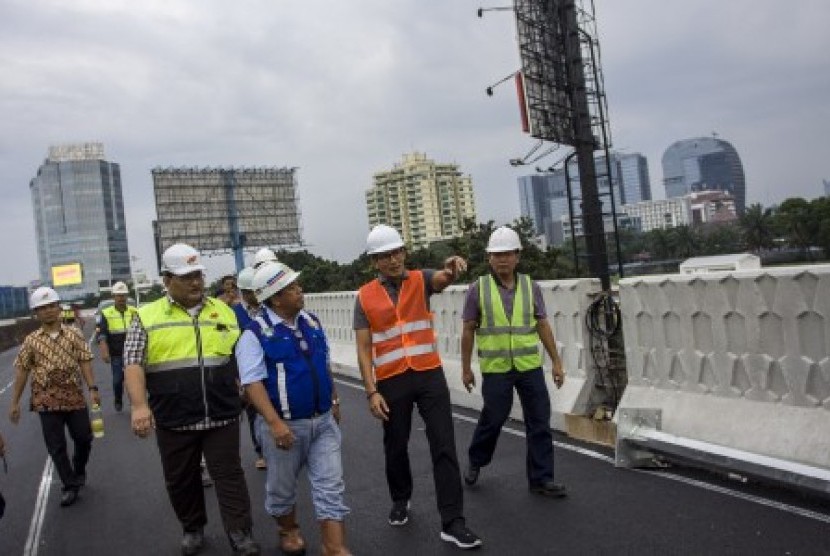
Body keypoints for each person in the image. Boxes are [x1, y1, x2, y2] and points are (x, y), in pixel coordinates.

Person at [123, 243, 260, 556]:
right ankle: (192, 528)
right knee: (182, 479)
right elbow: (132, 362)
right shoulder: (146, 316)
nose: (196, 282)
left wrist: (248, 390)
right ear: (167, 279)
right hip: (174, 416)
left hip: (221, 412)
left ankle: (240, 533)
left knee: (229, 475)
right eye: (186, 277)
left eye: (198, 274)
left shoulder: (223, 311)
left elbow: (242, 354)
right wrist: (139, 406)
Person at [355, 224, 482, 550]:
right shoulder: (365, 296)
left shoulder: (421, 279)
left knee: (444, 444)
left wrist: (451, 268)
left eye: (397, 252)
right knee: (395, 445)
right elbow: (364, 348)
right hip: (391, 379)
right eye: (385, 256)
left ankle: (453, 522)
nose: (393, 259)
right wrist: (371, 391)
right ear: (375, 261)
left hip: (428, 373)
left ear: (404, 253)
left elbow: (443, 278)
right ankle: (400, 497)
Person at [237, 261, 350, 556]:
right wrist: (275, 424)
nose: (300, 291)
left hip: (323, 422)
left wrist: (334, 400)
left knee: (331, 485)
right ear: (275, 298)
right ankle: (288, 529)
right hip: (285, 427)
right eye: (292, 288)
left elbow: (322, 365)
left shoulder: (311, 321)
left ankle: (334, 547)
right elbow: (252, 384)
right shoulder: (254, 334)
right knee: (282, 490)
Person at [460, 226, 567, 498]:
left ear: (517, 256)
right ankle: (477, 459)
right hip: (496, 369)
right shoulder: (478, 289)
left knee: (539, 421)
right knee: (493, 418)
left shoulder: (531, 287)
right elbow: (468, 329)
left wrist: (556, 362)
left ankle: (542, 478)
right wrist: (465, 369)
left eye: (507, 254)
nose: (502, 260)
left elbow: (542, 325)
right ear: (489, 259)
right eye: (497, 255)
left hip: (529, 366)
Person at [8, 287, 100, 508]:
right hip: (45, 398)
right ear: (36, 313)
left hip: (74, 395)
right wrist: (15, 402)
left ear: (59, 308)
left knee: (84, 438)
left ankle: (79, 470)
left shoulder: (74, 334)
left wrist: (92, 387)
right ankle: (69, 485)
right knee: (56, 446)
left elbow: (85, 360)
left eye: (51, 306)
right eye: (42, 308)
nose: (48, 311)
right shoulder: (31, 341)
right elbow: (22, 370)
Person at [233, 266, 267, 470]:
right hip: (248, 373)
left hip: (270, 368)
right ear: (245, 293)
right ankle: (261, 451)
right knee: (254, 412)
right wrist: (238, 379)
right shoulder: (233, 314)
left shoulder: (269, 309)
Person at [95, 281, 138, 412]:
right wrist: (104, 351)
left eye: (123, 295)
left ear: (127, 296)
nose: (121, 298)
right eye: (118, 295)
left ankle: (135, 403)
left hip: (133, 353)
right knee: (118, 380)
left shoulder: (134, 311)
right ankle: (118, 399)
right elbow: (102, 334)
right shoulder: (107, 313)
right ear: (113, 296)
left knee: (134, 380)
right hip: (116, 354)